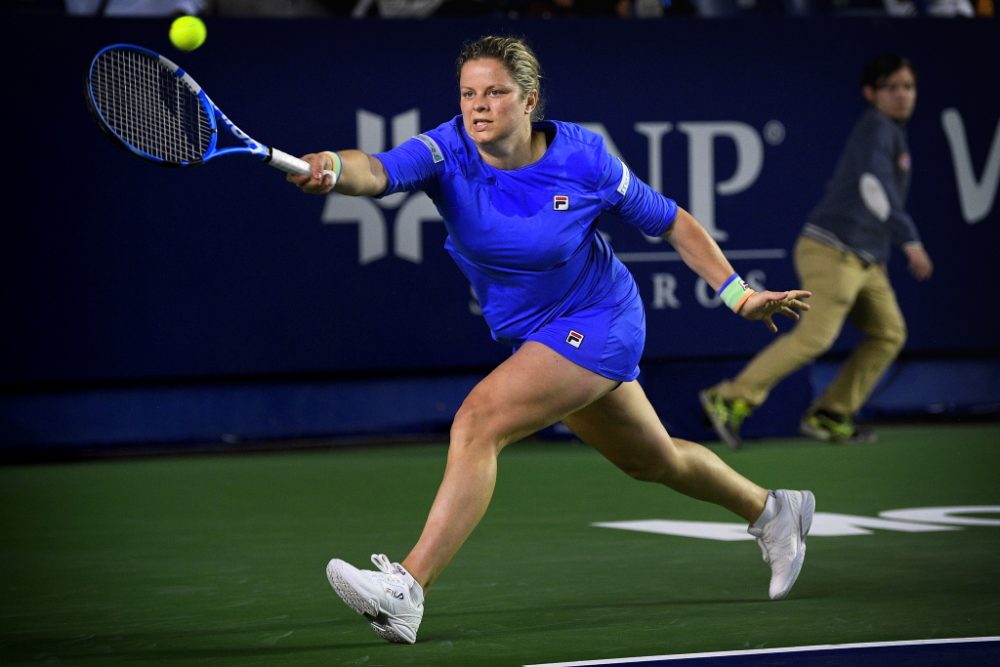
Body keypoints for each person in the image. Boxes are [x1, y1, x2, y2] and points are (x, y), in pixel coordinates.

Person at [288, 35, 814, 644]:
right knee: (652, 460)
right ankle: (772, 510)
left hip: (600, 317)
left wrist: (739, 295)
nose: (478, 106)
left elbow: (671, 221)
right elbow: (377, 170)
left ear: (530, 100)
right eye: (468, 94)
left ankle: (408, 588)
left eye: (495, 93)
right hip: (533, 333)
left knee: (478, 422)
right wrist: (330, 164)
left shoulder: (584, 159)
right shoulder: (447, 148)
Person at [700, 53, 933, 450]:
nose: (902, 96)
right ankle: (730, 397)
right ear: (870, 94)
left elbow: (871, 203)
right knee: (816, 337)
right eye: (891, 88)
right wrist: (909, 240)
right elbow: (874, 189)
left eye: (907, 87)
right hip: (831, 250)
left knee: (888, 333)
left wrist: (878, 254)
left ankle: (831, 411)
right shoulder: (877, 128)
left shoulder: (891, 133)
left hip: (865, 258)